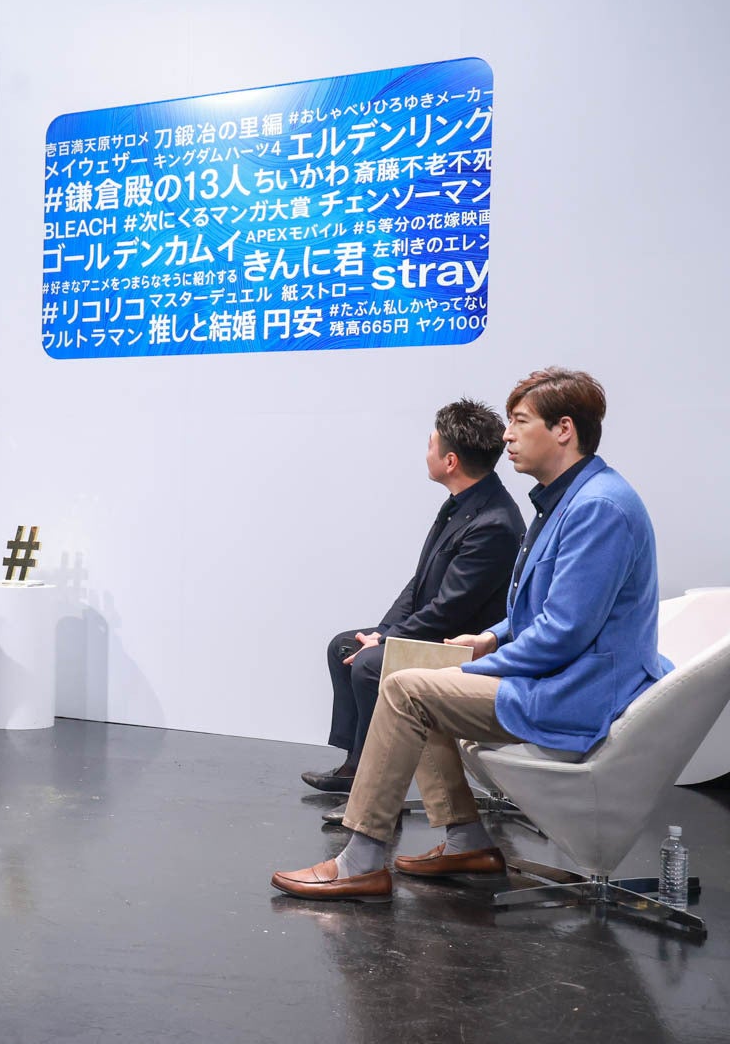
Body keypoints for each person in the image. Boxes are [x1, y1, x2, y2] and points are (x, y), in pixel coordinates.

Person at [273, 368, 672, 902]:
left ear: (563, 430)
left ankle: (362, 860)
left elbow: (562, 634)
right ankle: (466, 840)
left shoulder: (598, 507)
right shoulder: (567, 499)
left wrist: (472, 666)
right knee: (413, 676)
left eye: (520, 421)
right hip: (560, 675)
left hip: (580, 691)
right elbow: (544, 609)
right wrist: (490, 638)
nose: (507, 435)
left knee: (408, 689)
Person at [302, 399, 525, 793]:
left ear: (450, 461)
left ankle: (377, 788)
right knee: (345, 647)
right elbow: (419, 584)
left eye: (430, 444)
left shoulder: (494, 523)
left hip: (461, 645)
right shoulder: (462, 505)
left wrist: (387, 641)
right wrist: (383, 631)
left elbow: (449, 610)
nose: (426, 452)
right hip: (437, 630)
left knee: (368, 664)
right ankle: (356, 765)